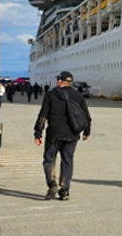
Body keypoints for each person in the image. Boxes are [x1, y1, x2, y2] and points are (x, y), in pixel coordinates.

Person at [34, 71, 91, 200]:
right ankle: (65, 190)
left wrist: (38, 133)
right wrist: (87, 132)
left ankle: (52, 184)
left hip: (54, 134)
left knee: (49, 159)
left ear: (59, 81)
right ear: (70, 82)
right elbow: (86, 117)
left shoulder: (51, 95)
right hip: (72, 135)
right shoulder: (78, 96)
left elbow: (43, 116)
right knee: (67, 161)